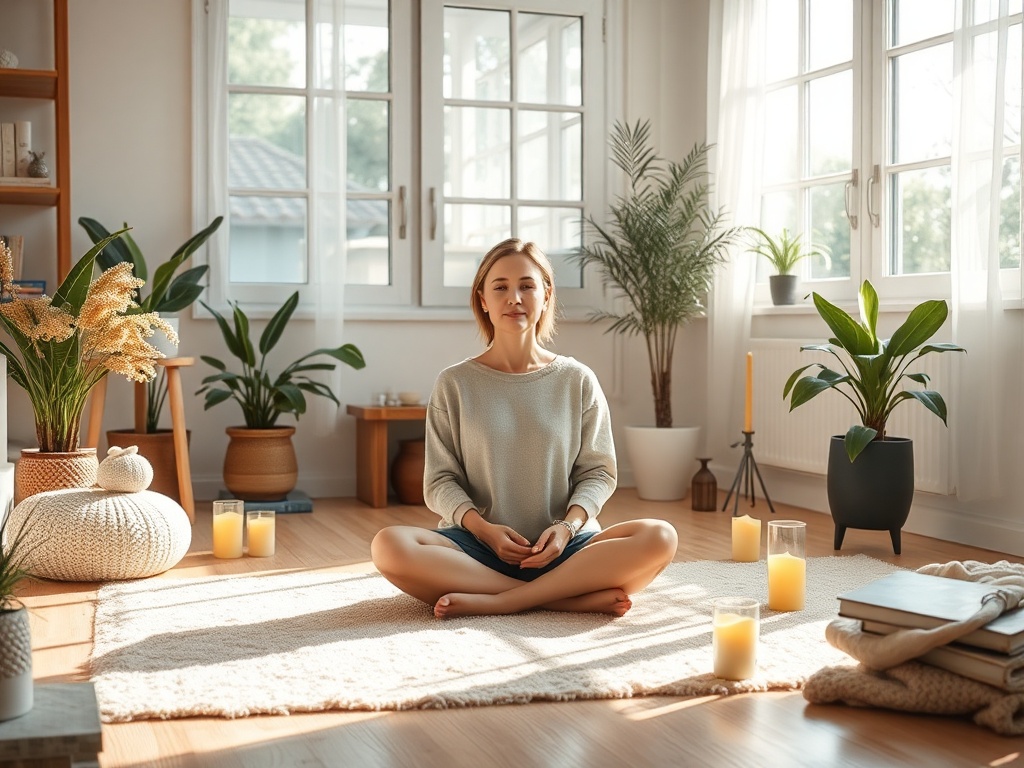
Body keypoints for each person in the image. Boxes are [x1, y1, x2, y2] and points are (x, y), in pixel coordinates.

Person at [371, 238, 678, 619]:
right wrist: (484, 531)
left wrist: (567, 528)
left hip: (567, 549)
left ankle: (504, 600)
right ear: (483, 299)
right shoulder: (454, 383)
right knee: (388, 545)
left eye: (527, 286)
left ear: (546, 295)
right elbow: (439, 481)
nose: (514, 298)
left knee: (660, 536)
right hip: (476, 549)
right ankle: (562, 599)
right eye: (500, 287)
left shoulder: (577, 379)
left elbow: (599, 473)